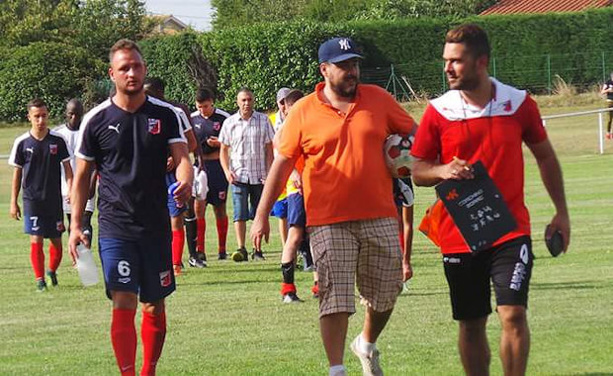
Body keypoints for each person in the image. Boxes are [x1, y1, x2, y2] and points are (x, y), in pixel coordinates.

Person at [410, 24, 571, 376]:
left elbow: (545, 156)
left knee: (513, 312)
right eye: (445, 60)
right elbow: (417, 170)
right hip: (458, 235)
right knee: (471, 323)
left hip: (510, 231)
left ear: (481, 61)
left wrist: (561, 212)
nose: (447, 68)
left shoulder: (518, 104)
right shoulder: (439, 111)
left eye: (456, 61)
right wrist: (442, 171)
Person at [251, 37, 416, 376]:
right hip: (328, 220)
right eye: (344, 66)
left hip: (381, 213)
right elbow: (281, 165)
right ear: (324, 70)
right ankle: (336, 368)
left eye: (354, 64)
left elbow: (416, 134)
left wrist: (406, 156)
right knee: (335, 298)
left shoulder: (379, 100)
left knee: (387, 292)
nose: (352, 71)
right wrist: (261, 215)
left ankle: (366, 343)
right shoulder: (303, 111)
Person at [68, 39, 193, 376]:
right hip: (115, 225)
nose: (132, 73)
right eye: (124, 68)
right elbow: (82, 178)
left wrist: (186, 179)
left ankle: (148, 371)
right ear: (112, 74)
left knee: (154, 303)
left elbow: (183, 157)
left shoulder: (165, 115)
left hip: (155, 224)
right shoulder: (95, 120)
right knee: (124, 300)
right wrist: (76, 225)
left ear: (144, 69)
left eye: (137, 66)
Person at [9, 98, 72, 292]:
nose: (41, 120)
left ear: (48, 115)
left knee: (56, 243)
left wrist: (71, 190)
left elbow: (68, 170)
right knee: (35, 239)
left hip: (53, 201)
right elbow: (17, 174)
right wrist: (14, 202)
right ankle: (39, 280)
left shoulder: (57, 141)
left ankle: (51, 271)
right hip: (32, 200)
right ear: (29, 117)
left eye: (44, 115)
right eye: (36, 116)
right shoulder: (22, 143)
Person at [143, 77, 200, 273]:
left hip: (172, 174)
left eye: (148, 93)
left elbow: (191, 143)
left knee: (176, 217)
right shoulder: (140, 114)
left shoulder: (175, 113)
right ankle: (157, 261)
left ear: (159, 92)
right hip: (149, 175)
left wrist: (174, 159)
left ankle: (176, 263)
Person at [219, 87, 274, 262]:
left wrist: (269, 172)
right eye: (243, 100)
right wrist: (227, 172)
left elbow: (269, 149)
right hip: (239, 175)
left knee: (259, 213)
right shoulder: (230, 123)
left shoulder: (263, 120)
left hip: (259, 175)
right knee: (239, 213)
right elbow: (223, 151)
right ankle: (241, 248)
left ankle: (257, 250)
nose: (246, 103)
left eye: (249, 99)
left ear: (254, 101)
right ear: (237, 102)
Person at [190, 88, 232, 260]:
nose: (202, 110)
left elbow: (232, 143)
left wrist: (220, 144)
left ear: (212, 102)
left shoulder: (224, 118)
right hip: (200, 166)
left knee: (219, 207)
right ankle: (201, 250)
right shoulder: (192, 119)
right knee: (198, 207)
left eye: (205, 106)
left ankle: (222, 250)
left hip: (218, 167)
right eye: (199, 107)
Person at [54, 99, 96, 244]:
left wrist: (91, 184)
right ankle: (78, 259)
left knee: (85, 222)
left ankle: (85, 253)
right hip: (66, 187)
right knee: (73, 223)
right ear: (66, 114)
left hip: (86, 183)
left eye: (78, 115)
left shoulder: (89, 131)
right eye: (71, 114)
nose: (74, 118)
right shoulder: (58, 134)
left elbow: (95, 163)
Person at [269, 87, 292, 247]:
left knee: (296, 211)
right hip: (278, 171)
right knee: (282, 213)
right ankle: (286, 247)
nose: (284, 105)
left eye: (287, 102)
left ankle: (299, 247)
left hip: (296, 171)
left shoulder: (298, 118)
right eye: (281, 102)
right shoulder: (270, 120)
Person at [393, 178, 415, 284]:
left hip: (400, 181)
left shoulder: (404, 190)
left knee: (399, 222)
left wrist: (406, 261)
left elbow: (408, 225)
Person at [600, 72, 613, 139]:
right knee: (609, 119)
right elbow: (602, 92)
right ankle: (608, 132)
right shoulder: (608, 82)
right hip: (610, 102)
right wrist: (608, 90)